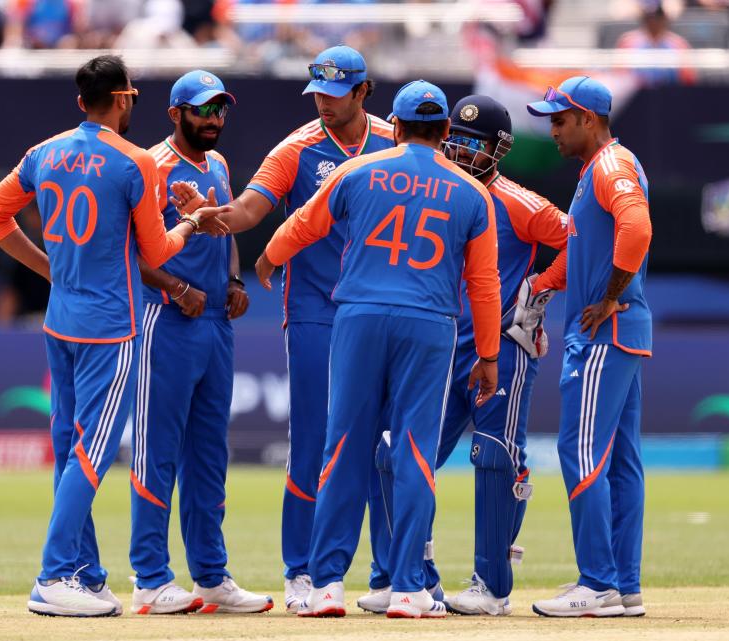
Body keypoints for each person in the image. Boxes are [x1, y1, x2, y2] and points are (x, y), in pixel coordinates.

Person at [0, 54, 228, 617]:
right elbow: (158, 252)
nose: (133, 101)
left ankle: (86, 574)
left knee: (69, 447)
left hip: (60, 320)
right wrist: (194, 219)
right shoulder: (135, 161)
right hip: (110, 327)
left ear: (80, 100)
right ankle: (53, 575)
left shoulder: (45, 152)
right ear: (121, 98)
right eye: (132, 94)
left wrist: (50, 271)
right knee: (92, 450)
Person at [255, 80, 502, 619]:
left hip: (359, 317)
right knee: (413, 453)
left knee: (343, 447)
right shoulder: (471, 191)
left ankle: (325, 586)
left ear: (396, 123)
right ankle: (409, 587)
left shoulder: (356, 171)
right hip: (430, 324)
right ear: (443, 131)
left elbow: (302, 225)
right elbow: (483, 285)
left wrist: (269, 258)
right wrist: (487, 356)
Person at [203, 45, 396, 611]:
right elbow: (247, 212)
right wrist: (206, 213)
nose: (325, 105)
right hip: (315, 310)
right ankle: (302, 572)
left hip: (384, 310)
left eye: (336, 96)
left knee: (380, 442)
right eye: (317, 95)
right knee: (312, 439)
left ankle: (388, 574)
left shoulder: (395, 140)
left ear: (363, 92)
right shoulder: (296, 148)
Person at [363, 95, 568, 617]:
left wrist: (536, 291)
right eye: (459, 139)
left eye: (477, 144)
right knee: (395, 452)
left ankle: (492, 585)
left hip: (502, 345)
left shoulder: (518, 202)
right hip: (440, 342)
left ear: (499, 150)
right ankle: (410, 575)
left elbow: (579, 238)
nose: (464, 150)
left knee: (496, 456)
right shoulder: (436, 189)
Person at [128, 70, 273, 616]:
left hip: (215, 323)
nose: (213, 120)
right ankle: (149, 578)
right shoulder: (151, 166)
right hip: (167, 320)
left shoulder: (217, 165)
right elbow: (133, 253)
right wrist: (176, 287)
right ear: (175, 113)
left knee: (210, 456)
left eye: (220, 110)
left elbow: (227, 231)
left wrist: (234, 282)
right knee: (157, 452)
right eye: (202, 110)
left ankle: (211, 577)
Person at [525, 76, 653, 618]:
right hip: (621, 332)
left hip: (605, 331)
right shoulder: (594, 171)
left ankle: (597, 583)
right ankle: (622, 586)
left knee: (580, 453)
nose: (552, 130)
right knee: (621, 461)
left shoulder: (609, 167)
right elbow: (582, 252)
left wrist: (607, 298)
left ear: (590, 120)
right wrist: (541, 285)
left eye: (560, 120)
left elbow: (637, 230)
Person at [615, 3, 695, 86]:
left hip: (671, 92)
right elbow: (619, 75)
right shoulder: (628, 42)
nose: (653, 22)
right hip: (637, 93)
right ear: (644, 20)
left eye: (658, 18)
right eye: (649, 18)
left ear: (664, 19)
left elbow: (688, 77)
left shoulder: (678, 43)